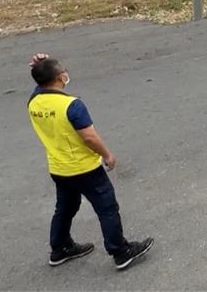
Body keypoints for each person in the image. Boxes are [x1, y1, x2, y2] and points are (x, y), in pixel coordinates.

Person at [26, 54, 153, 271]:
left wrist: (40, 66)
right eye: (63, 71)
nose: (66, 73)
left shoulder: (34, 101)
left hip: (59, 168)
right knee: (107, 208)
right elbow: (89, 138)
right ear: (59, 77)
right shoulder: (72, 105)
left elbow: (40, 84)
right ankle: (120, 251)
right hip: (84, 168)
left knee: (65, 207)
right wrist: (108, 155)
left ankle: (60, 248)